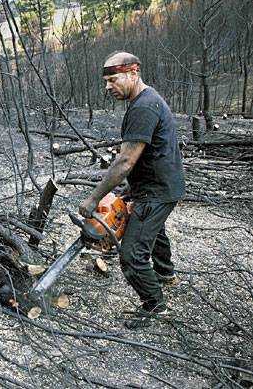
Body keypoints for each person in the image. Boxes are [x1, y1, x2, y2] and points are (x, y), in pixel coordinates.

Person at [78, 51, 185, 329]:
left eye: (113, 80)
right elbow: (143, 156)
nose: (108, 87)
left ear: (133, 73)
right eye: (106, 81)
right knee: (153, 228)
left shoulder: (143, 107)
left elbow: (125, 161)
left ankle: (155, 305)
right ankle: (166, 273)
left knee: (131, 255)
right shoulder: (146, 101)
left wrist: (94, 198)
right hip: (160, 184)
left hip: (157, 190)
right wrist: (130, 191)